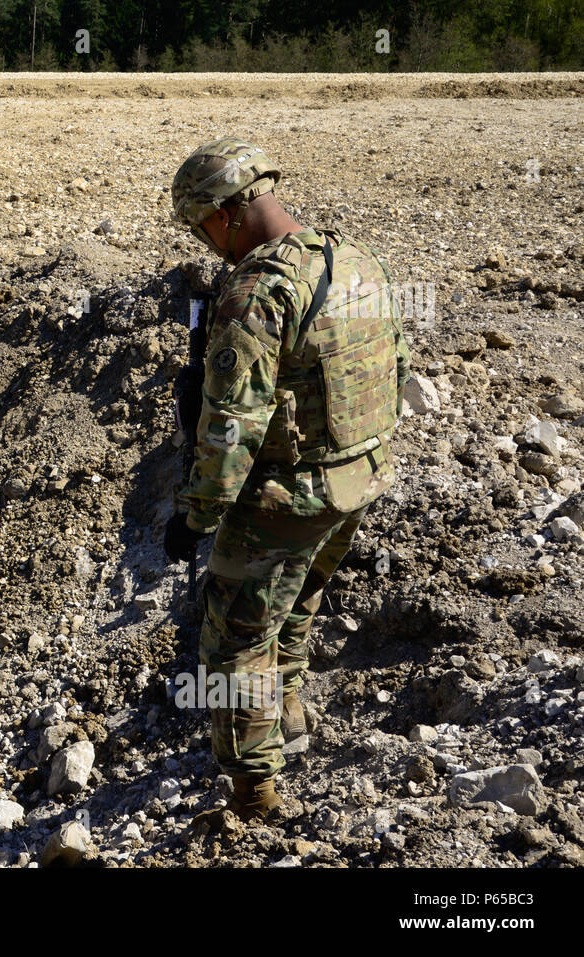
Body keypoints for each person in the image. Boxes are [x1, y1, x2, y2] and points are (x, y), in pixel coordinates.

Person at [162, 138, 411, 822]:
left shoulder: (255, 288)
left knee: (235, 643)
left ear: (227, 213)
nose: (207, 244)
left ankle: (256, 800)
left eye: (203, 228)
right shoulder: (358, 259)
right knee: (294, 603)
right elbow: (395, 367)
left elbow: (230, 426)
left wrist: (196, 514)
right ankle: (291, 714)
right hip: (360, 477)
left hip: (292, 494)